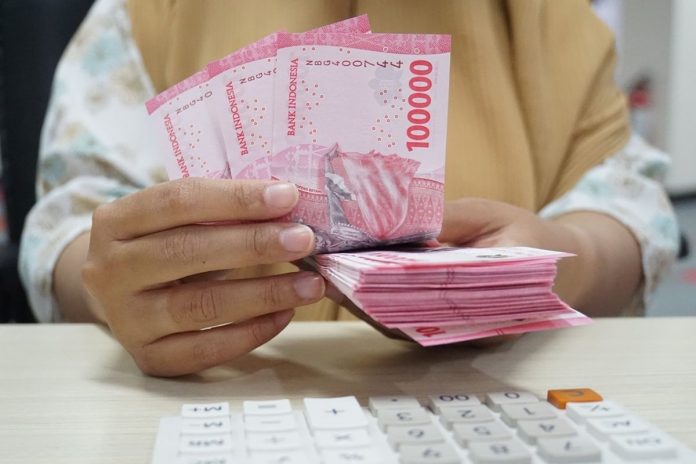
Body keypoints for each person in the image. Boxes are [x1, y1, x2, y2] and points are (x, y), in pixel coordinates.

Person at [20, 0, 678, 377]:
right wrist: (112, 286)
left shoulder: (549, 19)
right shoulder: (145, 11)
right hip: (223, 395)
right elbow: (69, 222)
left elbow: (628, 203)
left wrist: (563, 263)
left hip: (486, 401)